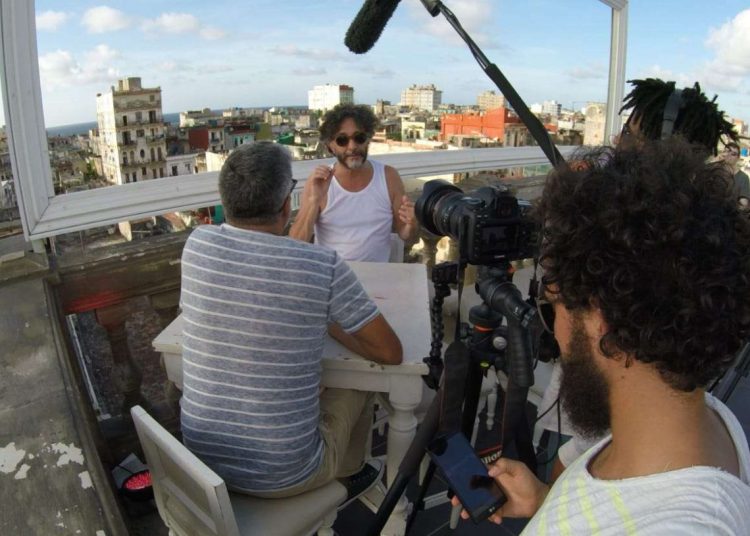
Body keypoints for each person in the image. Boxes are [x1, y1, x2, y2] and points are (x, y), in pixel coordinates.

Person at [454, 138, 750, 533]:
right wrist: (545, 501)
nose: (555, 333)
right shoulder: (697, 416)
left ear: (598, 317)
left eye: (552, 305)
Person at [179, 142, 403, 504]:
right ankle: (349, 470)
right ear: (287, 205)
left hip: (202, 466)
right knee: (363, 380)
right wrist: (326, 320)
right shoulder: (321, 265)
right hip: (286, 474)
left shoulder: (197, 245)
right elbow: (390, 352)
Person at [541, 78, 743, 481]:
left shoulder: (635, 244)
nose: (618, 141)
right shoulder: (709, 227)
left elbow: (595, 429)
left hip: (607, 419)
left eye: (631, 134)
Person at [289, 104, 418, 262]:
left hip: (376, 281)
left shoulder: (388, 177)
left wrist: (411, 224)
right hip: (334, 282)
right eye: (342, 140)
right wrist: (313, 201)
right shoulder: (319, 182)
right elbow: (295, 244)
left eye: (359, 138)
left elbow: (407, 236)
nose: (352, 146)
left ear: (368, 139)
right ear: (330, 146)